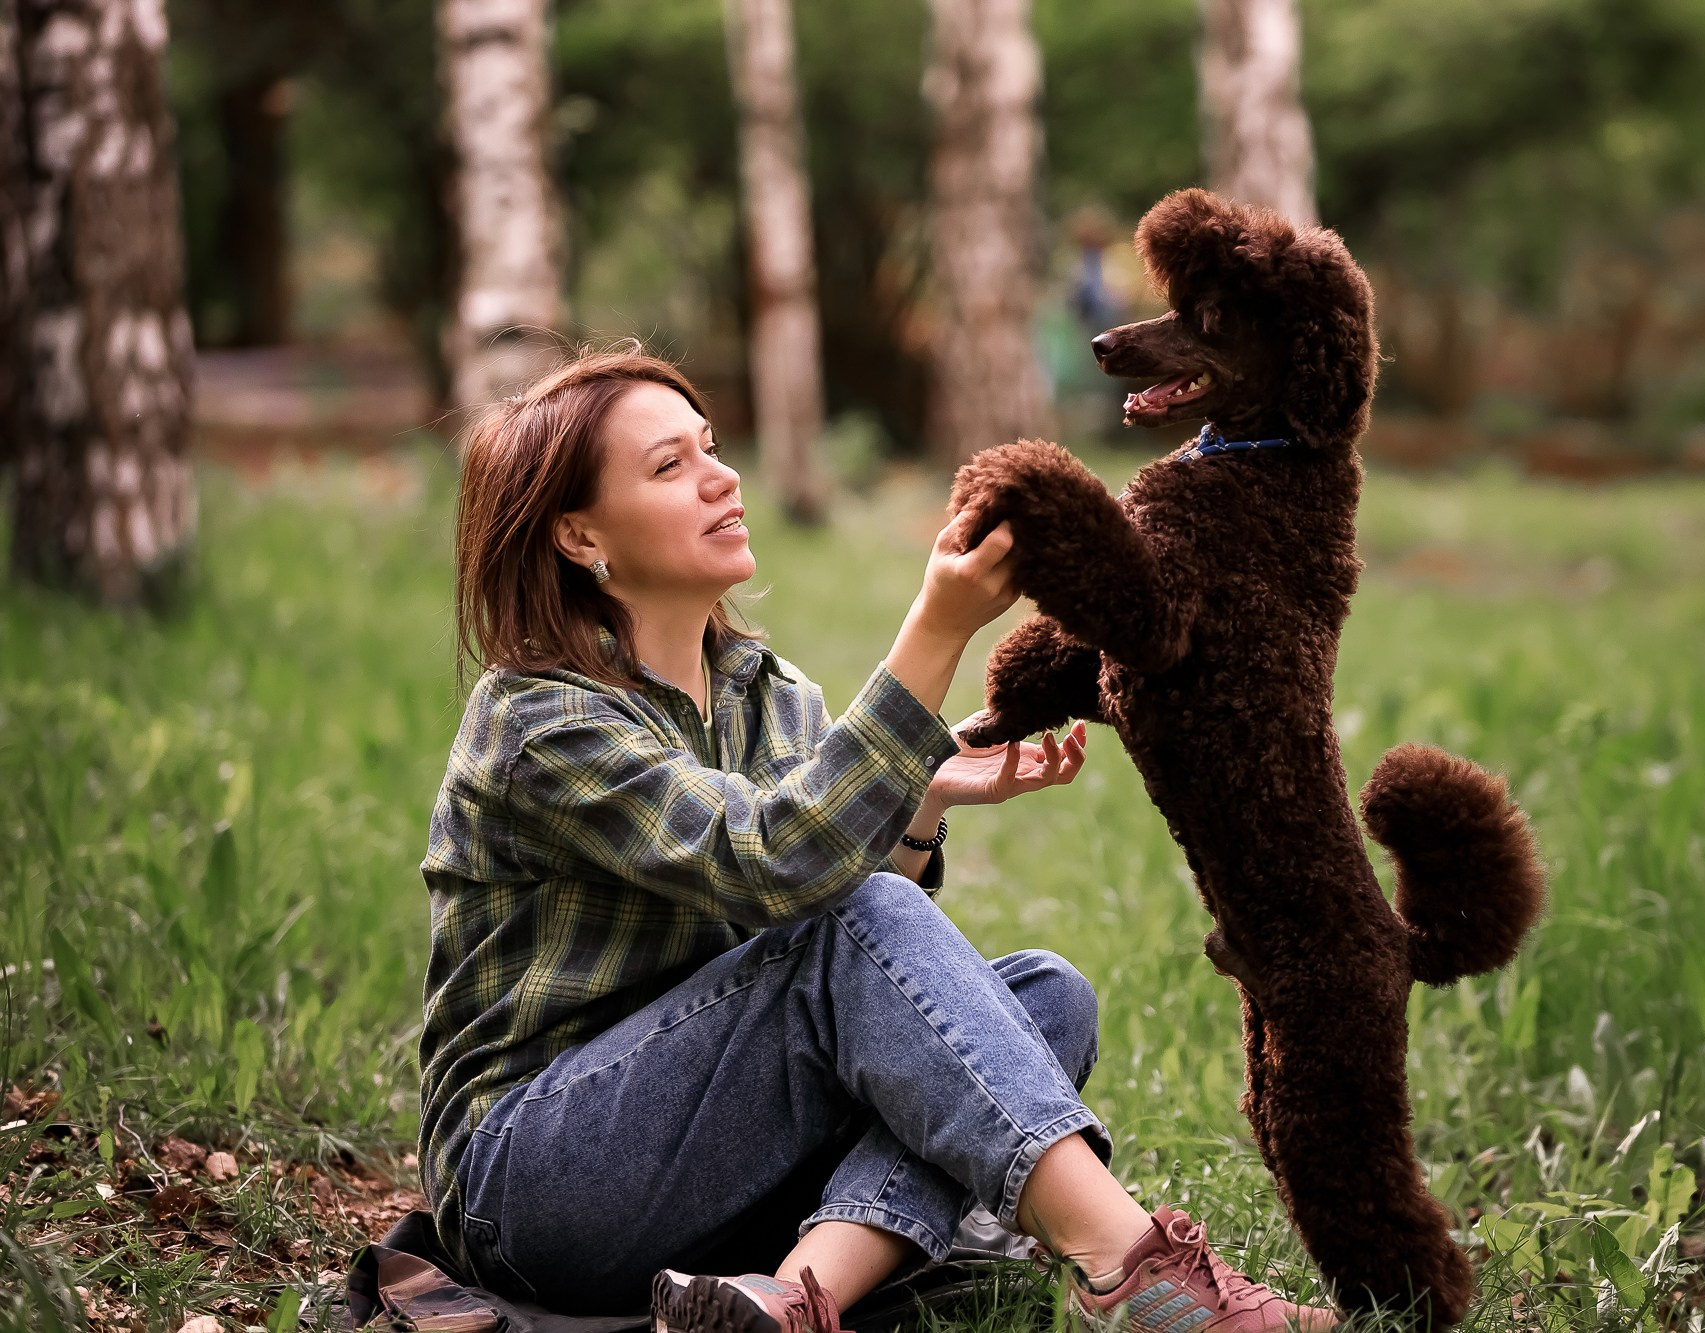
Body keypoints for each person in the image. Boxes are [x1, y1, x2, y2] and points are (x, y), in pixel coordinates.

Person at [418, 347, 1342, 1333]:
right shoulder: (537, 720)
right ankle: (1131, 1268)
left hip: (719, 1164)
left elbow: (852, 950)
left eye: (712, 448)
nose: (722, 476)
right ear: (577, 534)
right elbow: (777, 865)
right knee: (866, 926)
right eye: (667, 467)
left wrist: (916, 807)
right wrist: (935, 630)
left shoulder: (770, 696)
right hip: (533, 1182)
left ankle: (793, 1297)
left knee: (1040, 995)